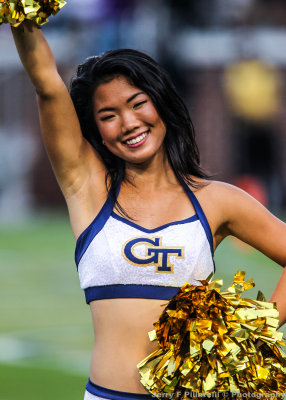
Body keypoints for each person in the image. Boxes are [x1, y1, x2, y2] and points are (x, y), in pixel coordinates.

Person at [10, 19, 286, 400]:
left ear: (161, 104)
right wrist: (22, 16)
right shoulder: (87, 189)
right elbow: (46, 83)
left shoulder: (217, 200)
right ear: (97, 131)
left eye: (138, 104)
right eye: (108, 116)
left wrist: (257, 327)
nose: (128, 123)